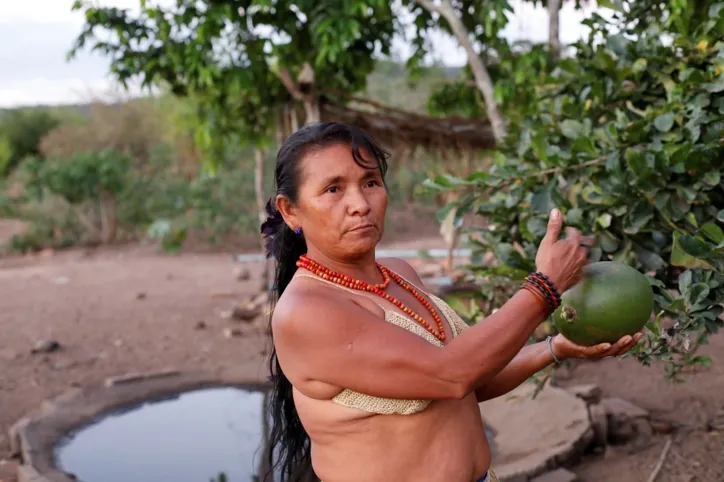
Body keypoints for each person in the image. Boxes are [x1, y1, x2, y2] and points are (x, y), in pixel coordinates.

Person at [261, 122, 642, 482]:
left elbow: (468, 379)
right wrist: (544, 288)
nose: (360, 203)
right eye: (333, 189)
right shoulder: (307, 311)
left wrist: (554, 348)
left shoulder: (399, 274)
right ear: (290, 210)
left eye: (371, 182)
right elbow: (451, 374)